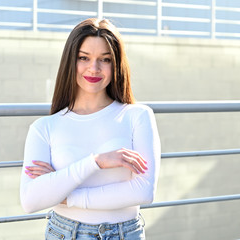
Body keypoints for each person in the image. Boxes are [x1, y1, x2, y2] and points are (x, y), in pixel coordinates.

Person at [20, 18, 161, 240]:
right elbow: (30, 200)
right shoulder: (44, 128)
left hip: (125, 234)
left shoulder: (137, 116)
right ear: (70, 61)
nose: (93, 68)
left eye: (105, 59)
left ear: (116, 64)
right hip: (64, 233)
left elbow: (144, 191)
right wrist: (95, 162)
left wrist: (66, 195)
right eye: (83, 58)